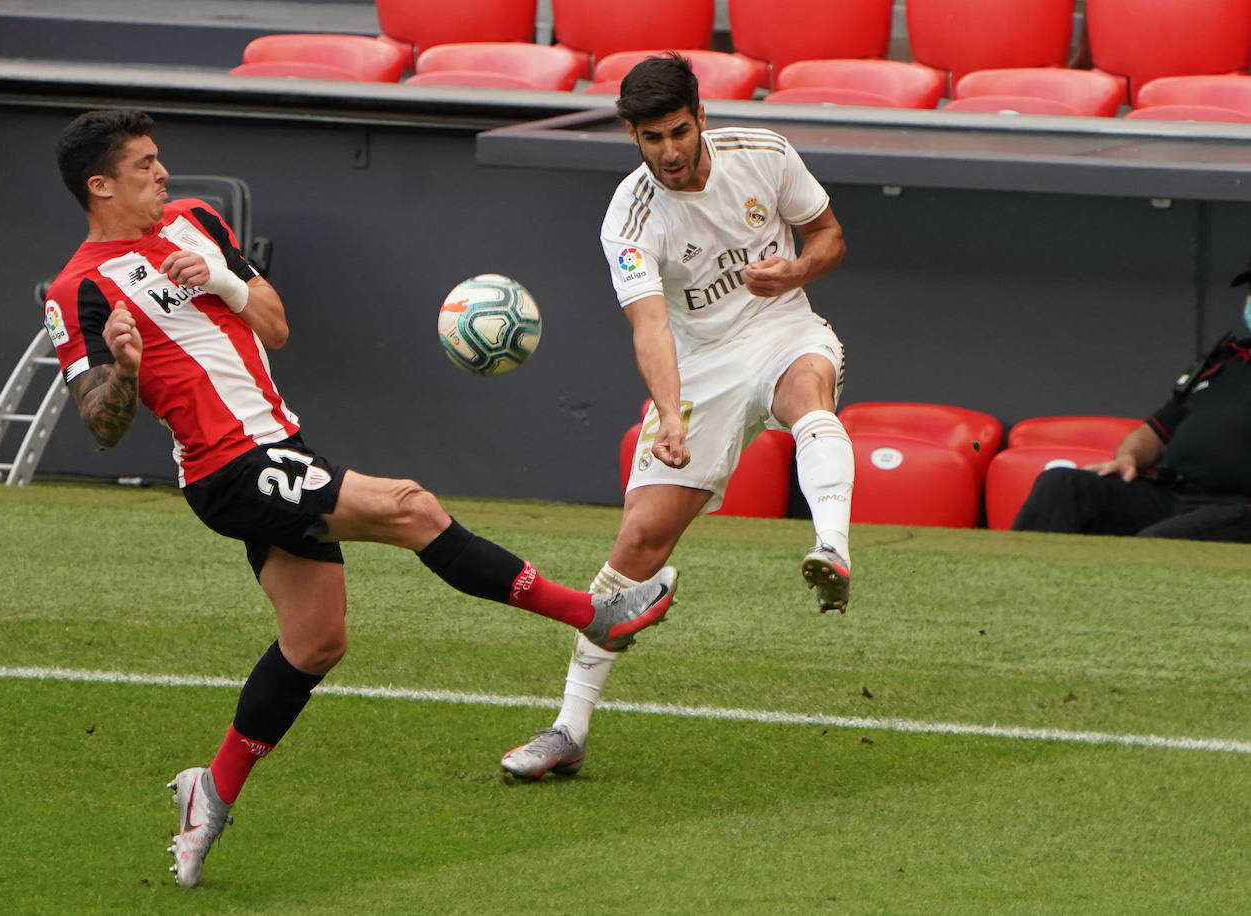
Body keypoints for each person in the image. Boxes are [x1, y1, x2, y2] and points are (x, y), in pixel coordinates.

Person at [46, 109, 679, 888]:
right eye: (144, 166)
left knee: (316, 642)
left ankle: (209, 790)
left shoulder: (195, 222)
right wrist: (129, 370)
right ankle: (595, 615)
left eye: (159, 159)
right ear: (100, 185)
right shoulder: (78, 288)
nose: (163, 174)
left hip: (279, 445)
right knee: (411, 506)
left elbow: (274, 326)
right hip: (227, 465)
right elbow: (100, 424)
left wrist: (219, 278)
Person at [500, 53, 855, 781]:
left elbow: (829, 238)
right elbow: (650, 326)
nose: (668, 151)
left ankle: (833, 549)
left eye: (679, 131)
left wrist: (793, 271)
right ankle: (568, 728)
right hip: (701, 370)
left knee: (810, 396)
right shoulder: (630, 216)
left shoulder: (765, 155)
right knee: (639, 539)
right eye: (651, 137)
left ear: (703, 118)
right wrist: (668, 414)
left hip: (784, 325)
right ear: (632, 135)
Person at [1011, 259, 1251, 542]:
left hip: (1237, 509)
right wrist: (1129, 457)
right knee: (1061, 485)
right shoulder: (1225, 360)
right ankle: (1014, 582)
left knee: (1155, 542)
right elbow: (1153, 432)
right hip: (1170, 495)